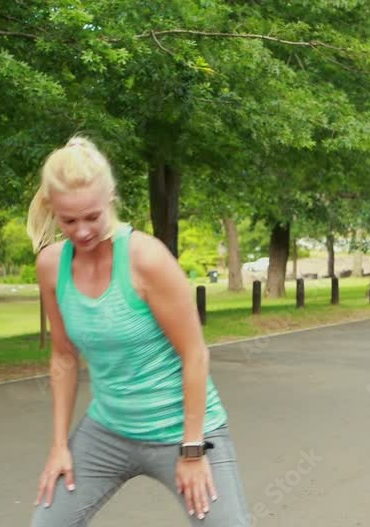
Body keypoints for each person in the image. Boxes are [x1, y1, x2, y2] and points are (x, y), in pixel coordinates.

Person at [26, 136, 250, 526]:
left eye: (92, 216)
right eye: (69, 220)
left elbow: (195, 353)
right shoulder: (50, 266)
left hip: (183, 430)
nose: (82, 231)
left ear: (110, 197)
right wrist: (59, 445)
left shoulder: (146, 259)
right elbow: (63, 355)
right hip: (108, 431)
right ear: (51, 209)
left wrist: (192, 450)